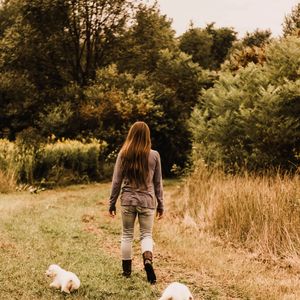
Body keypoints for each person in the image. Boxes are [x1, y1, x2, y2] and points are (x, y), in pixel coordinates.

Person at [108, 121, 164, 284]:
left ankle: (126, 272)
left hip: (127, 200)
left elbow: (116, 181)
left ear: (131, 135)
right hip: (147, 201)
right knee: (146, 235)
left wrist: (111, 203)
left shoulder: (124, 154)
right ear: (147, 136)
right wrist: (161, 204)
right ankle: (147, 260)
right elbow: (158, 183)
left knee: (127, 235)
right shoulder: (154, 155)